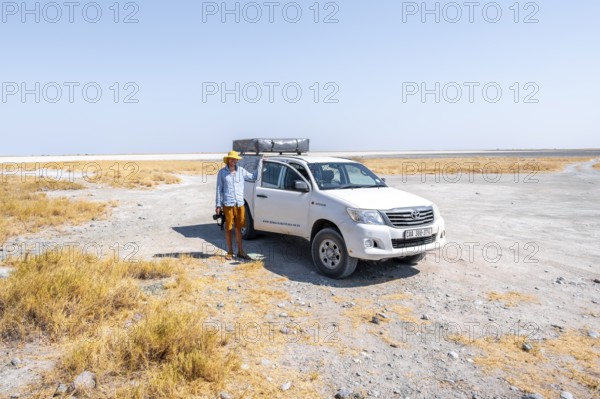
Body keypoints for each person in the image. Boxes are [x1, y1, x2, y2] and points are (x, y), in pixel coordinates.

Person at [215, 150, 256, 260]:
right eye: (232, 159)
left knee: (239, 228)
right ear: (228, 160)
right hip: (228, 204)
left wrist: (263, 165)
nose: (234, 161)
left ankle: (240, 251)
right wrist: (218, 205)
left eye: (236, 159)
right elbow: (219, 189)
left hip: (240, 204)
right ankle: (230, 251)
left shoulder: (241, 171)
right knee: (228, 228)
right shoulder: (222, 173)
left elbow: (253, 177)